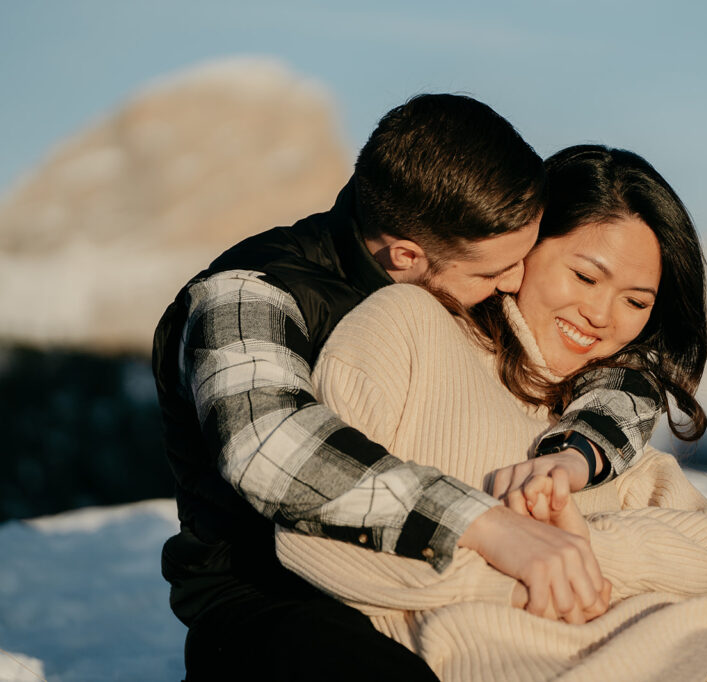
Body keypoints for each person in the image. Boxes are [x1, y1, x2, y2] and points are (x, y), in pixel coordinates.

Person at [152, 98, 666, 681]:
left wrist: (576, 451)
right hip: (273, 600)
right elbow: (268, 447)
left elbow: (619, 377)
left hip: (426, 584)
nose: (516, 282)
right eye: (497, 271)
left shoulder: (457, 269)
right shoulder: (250, 293)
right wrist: (490, 526)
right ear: (405, 255)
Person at [277, 145, 707, 681]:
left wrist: (586, 549)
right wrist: (528, 571)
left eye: (636, 301)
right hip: (508, 657)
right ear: (526, 245)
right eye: (585, 277)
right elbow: (316, 534)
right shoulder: (406, 327)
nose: (599, 316)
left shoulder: (594, 413)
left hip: (691, 649)